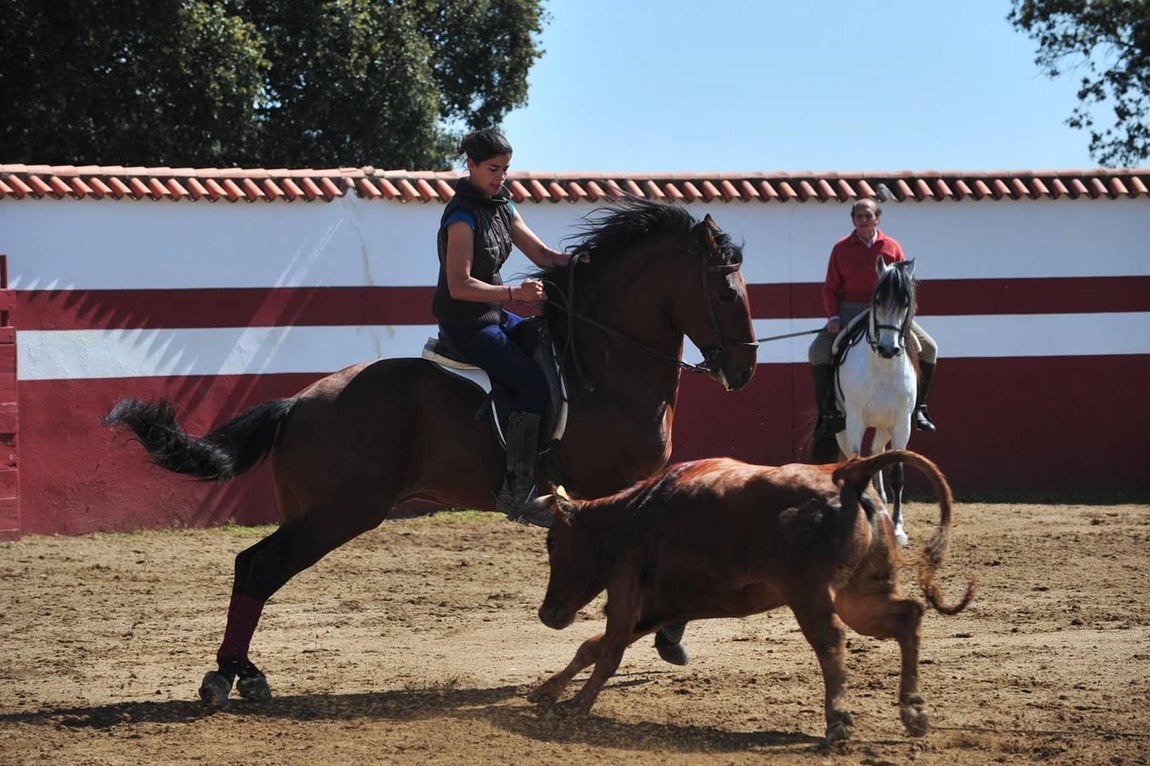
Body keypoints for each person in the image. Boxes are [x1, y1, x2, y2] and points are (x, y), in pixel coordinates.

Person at [431, 128, 579, 516]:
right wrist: (516, 294)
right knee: (531, 384)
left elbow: (544, 255)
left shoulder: (504, 205)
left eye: (506, 170)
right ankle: (519, 488)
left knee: (548, 346)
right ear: (471, 165)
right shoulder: (461, 217)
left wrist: (583, 260)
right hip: (466, 325)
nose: (500, 177)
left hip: (496, 316)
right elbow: (459, 286)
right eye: (493, 169)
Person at [808, 198, 939, 437]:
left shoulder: (892, 246)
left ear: (877, 219)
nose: (863, 220)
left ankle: (919, 408)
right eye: (858, 216)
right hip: (851, 309)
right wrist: (834, 317)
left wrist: (904, 316)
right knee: (817, 351)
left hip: (888, 312)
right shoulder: (840, 248)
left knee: (930, 348)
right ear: (853, 220)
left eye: (868, 216)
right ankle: (828, 414)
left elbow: (904, 287)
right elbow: (830, 288)